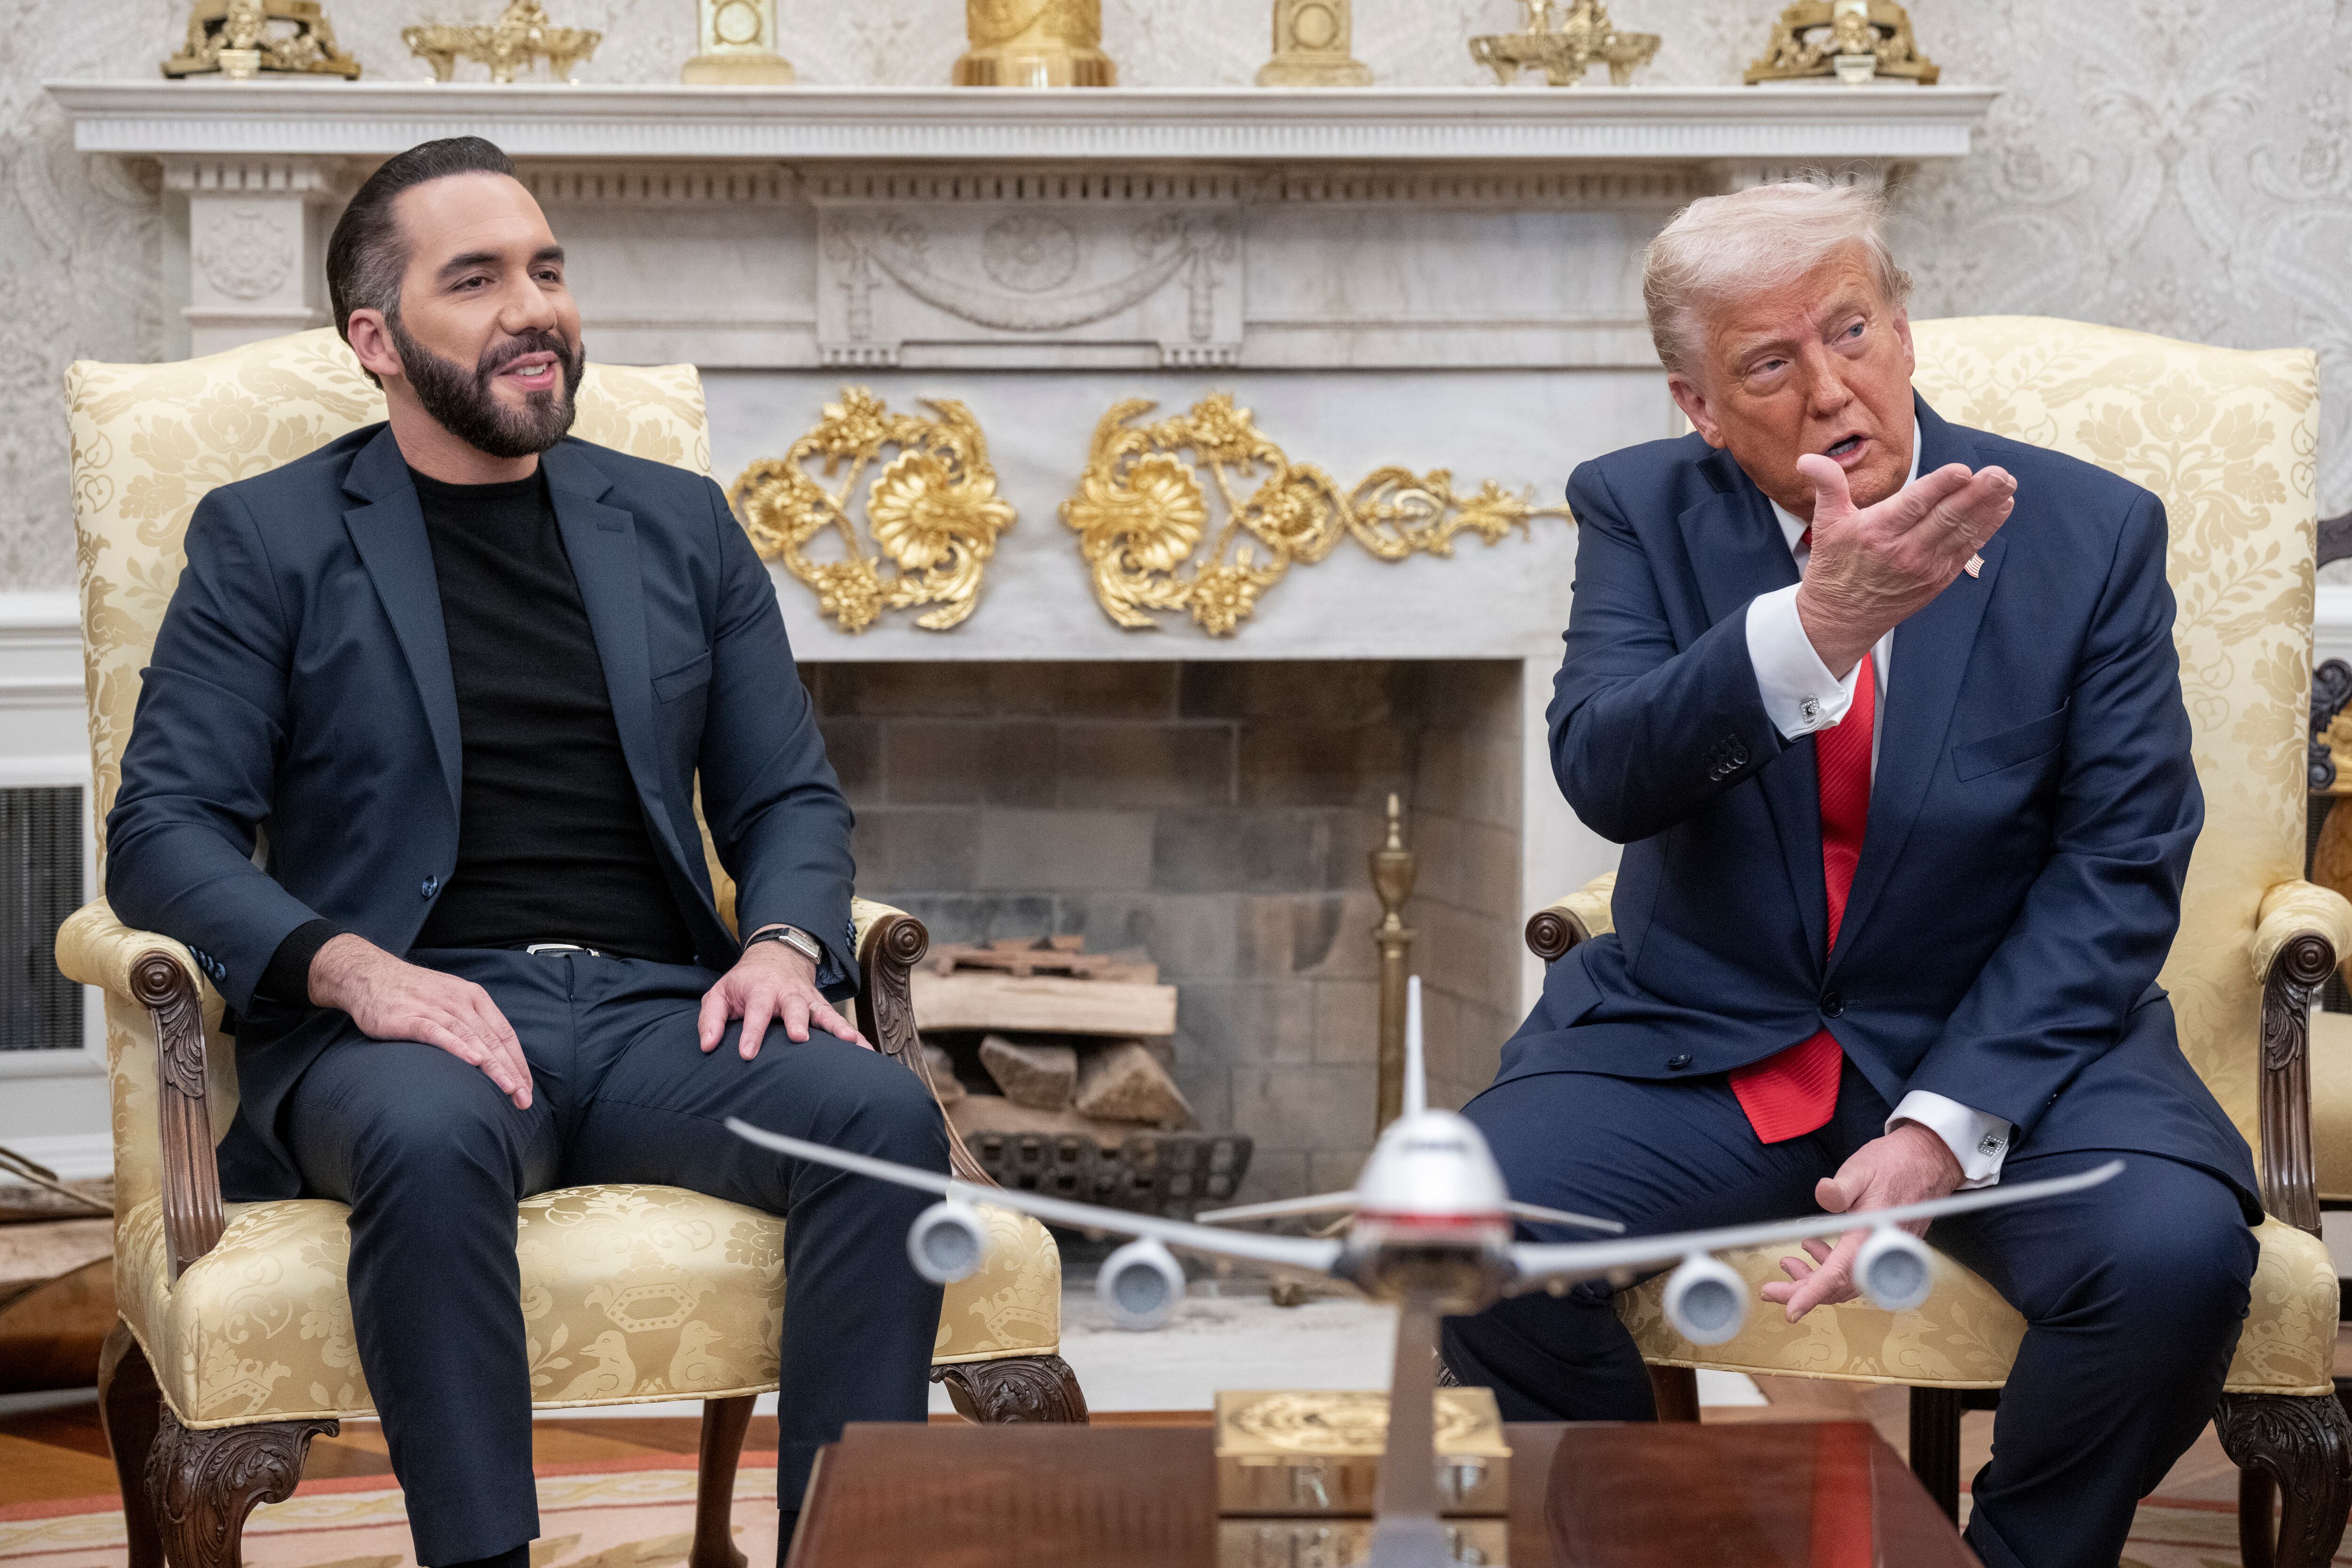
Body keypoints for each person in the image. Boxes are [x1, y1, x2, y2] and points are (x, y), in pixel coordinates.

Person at [105, 136, 946, 1568]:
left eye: (546, 271)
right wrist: (353, 971)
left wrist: (783, 944)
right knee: (430, 1141)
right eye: (478, 278)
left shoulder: (675, 523)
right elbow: (161, 830)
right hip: (403, 1026)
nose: (533, 309)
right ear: (376, 339)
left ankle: (847, 1551)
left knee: (882, 1120)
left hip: (654, 1017)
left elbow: (789, 799)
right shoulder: (270, 539)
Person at [1440, 180, 2259, 1568]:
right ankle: (1644, 1542)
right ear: (1702, 405)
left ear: (1904, 329)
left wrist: (1948, 1121)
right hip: (1708, 1043)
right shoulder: (1643, 507)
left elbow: (2119, 864)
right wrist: (1811, 630)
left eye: (1853, 331)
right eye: (1772, 363)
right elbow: (1606, 770)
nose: (1832, 390)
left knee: (2172, 1259)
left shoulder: (2087, 533)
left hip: (2007, 1047)